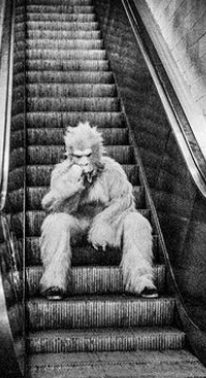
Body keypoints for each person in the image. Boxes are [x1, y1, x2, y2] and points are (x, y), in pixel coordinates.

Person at [38, 122, 157, 300]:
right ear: (70, 155)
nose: (84, 161)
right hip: (77, 219)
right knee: (54, 222)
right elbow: (53, 208)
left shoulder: (112, 169)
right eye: (78, 156)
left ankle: (141, 279)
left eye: (88, 155)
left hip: (109, 217)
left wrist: (103, 222)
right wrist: (72, 187)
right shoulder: (62, 172)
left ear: (96, 152)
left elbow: (125, 201)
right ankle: (54, 281)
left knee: (137, 222)